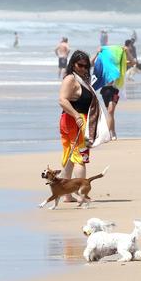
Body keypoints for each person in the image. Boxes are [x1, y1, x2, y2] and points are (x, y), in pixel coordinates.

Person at [58, 51, 94, 202]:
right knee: (80, 158)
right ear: (73, 64)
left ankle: (66, 194)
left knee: (71, 158)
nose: (83, 68)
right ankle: (82, 194)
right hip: (76, 122)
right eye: (80, 65)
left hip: (71, 121)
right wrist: (76, 116)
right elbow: (62, 100)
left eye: (86, 66)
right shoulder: (71, 79)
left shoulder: (81, 78)